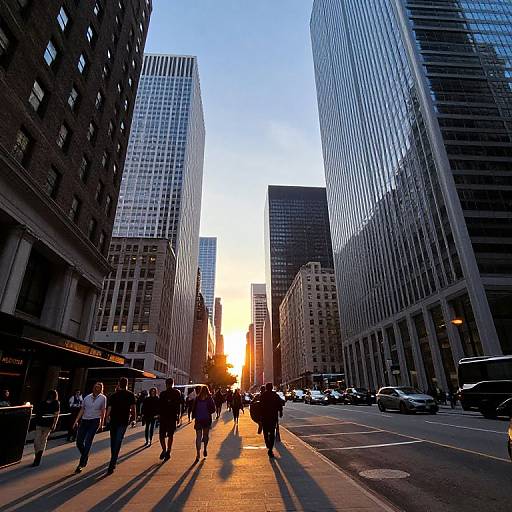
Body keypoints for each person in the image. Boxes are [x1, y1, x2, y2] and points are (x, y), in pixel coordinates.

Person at [73, 382, 107, 474]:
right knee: (79, 441)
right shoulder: (87, 397)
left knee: (88, 441)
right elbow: (82, 409)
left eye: (99, 387)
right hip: (85, 420)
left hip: (95, 420)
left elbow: (103, 410)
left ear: (101, 389)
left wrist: (102, 422)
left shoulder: (103, 398)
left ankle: (81, 464)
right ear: (93, 387)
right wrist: (76, 420)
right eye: (95, 386)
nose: (97, 388)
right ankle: (85, 455)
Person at [105, 377, 136, 475]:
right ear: (127, 384)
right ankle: (113, 460)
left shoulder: (114, 395)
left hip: (115, 420)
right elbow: (133, 408)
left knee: (114, 441)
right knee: (117, 441)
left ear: (119, 384)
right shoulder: (130, 395)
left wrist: (107, 417)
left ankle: (112, 462)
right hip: (123, 421)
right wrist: (134, 419)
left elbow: (109, 408)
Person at [32, 390, 60, 467]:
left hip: (48, 424)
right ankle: (37, 454)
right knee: (36, 441)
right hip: (40, 423)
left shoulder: (56, 403)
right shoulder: (43, 402)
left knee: (43, 439)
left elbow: (56, 414)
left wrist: (54, 424)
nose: (51, 396)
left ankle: (38, 457)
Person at [158, 377, 182, 461]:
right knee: (170, 435)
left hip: (163, 416)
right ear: (173, 383)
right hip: (172, 416)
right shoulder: (177, 393)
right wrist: (178, 416)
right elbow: (178, 405)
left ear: (166, 384)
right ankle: (168, 450)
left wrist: (158, 416)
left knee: (161, 435)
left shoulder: (162, 394)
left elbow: (159, 406)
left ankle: (164, 449)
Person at [191, 385, 216, 462]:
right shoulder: (209, 399)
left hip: (198, 419)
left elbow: (193, 409)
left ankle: (198, 454)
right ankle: (205, 448)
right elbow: (213, 409)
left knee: (198, 437)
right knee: (206, 435)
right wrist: (208, 412)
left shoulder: (197, 398)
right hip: (206, 419)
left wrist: (194, 416)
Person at [260, 382, 283, 458]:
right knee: (272, 433)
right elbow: (280, 404)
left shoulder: (263, 395)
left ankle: (268, 444)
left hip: (265, 417)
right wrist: (280, 412)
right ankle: (270, 449)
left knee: (265, 432)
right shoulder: (275, 395)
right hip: (273, 417)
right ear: (272, 387)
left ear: (266, 388)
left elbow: (260, 406)